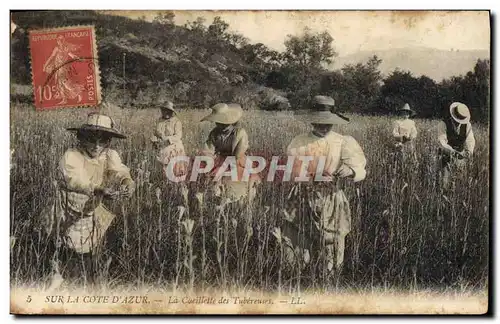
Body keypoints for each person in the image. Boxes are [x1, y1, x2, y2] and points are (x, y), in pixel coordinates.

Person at [41, 112, 135, 288]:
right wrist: (98, 189)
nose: (97, 146)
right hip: (68, 207)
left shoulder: (110, 155)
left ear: (108, 142)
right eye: (92, 140)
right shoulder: (72, 156)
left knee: (89, 246)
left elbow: (120, 170)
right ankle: (62, 278)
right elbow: (75, 180)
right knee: (65, 245)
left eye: (103, 141)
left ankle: (85, 282)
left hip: (91, 208)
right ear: (81, 139)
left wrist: (127, 181)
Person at [281, 95, 367, 273]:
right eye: (318, 122)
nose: (323, 126)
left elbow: (360, 168)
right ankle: (299, 277)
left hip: (331, 197)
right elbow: (290, 170)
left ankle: (328, 279)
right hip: (302, 197)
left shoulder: (343, 141)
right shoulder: (299, 141)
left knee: (331, 242)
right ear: (312, 121)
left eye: (327, 123)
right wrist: (311, 175)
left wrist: (350, 171)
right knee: (299, 240)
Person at [198, 103, 261, 208]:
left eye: (223, 123)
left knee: (241, 185)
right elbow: (208, 150)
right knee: (212, 186)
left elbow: (237, 154)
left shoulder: (240, 133)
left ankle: (244, 203)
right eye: (218, 122)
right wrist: (209, 160)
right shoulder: (214, 133)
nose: (220, 125)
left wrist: (222, 167)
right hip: (219, 161)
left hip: (236, 161)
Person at [150, 99, 188, 205]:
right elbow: (155, 133)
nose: (165, 113)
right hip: (162, 150)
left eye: (168, 111)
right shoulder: (159, 121)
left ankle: (179, 195)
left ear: (171, 112)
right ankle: (167, 194)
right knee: (164, 173)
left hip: (174, 149)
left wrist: (166, 139)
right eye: (164, 110)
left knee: (177, 172)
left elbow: (178, 136)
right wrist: (154, 141)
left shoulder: (177, 122)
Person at [437, 102, 475, 190]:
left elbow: (470, 140)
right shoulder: (443, 124)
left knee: (459, 182)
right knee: (444, 183)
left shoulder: (467, 125)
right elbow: (442, 142)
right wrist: (452, 152)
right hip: (446, 155)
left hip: (460, 156)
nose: (458, 122)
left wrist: (469, 151)